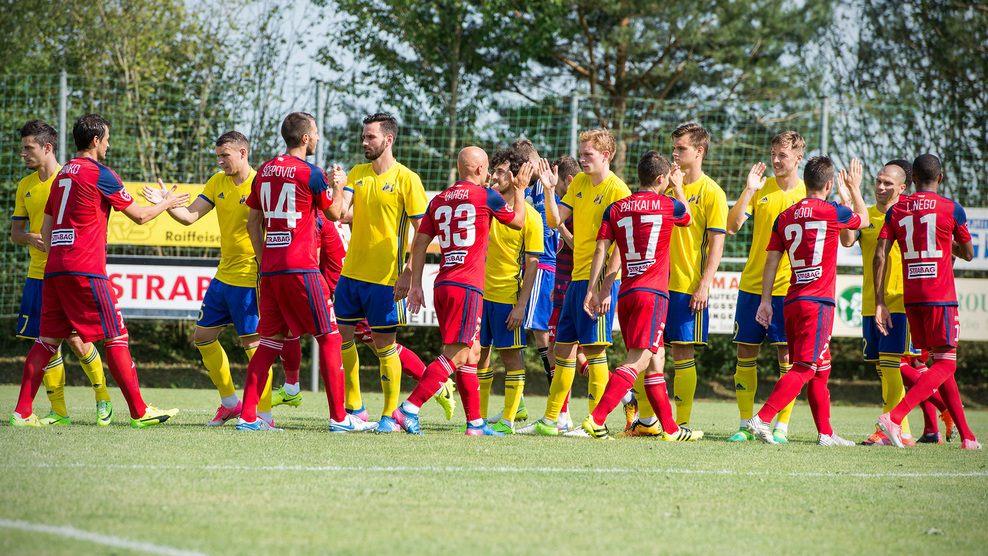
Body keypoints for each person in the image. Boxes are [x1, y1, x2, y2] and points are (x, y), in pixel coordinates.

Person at [11, 114, 186, 428]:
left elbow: (47, 230)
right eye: (106, 139)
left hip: (54, 270)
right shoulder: (100, 173)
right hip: (86, 270)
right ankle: (139, 412)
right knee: (116, 337)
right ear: (95, 140)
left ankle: (22, 413)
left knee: (46, 341)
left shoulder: (62, 176)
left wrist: (61, 257)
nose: (108, 144)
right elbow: (141, 217)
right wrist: (167, 202)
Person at [144, 131, 298, 427]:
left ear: (243, 153)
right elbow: (189, 217)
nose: (220, 161)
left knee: (255, 346)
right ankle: (230, 404)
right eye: (218, 156)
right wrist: (166, 203)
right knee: (202, 337)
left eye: (225, 155)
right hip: (223, 275)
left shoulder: (261, 183)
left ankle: (264, 416)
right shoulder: (217, 182)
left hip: (251, 276)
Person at [237, 111, 369, 432]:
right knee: (330, 337)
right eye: (317, 133)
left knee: (268, 343)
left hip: (271, 272)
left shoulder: (264, 170)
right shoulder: (311, 172)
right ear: (306, 138)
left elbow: (253, 223)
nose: (319, 138)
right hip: (302, 269)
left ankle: (248, 417)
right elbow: (335, 213)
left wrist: (265, 261)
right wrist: (339, 186)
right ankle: (340, 419)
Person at [391, 146, 528, 436]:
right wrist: (521, 190)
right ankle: (409, 409)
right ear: (480, 170)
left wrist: (416, 284)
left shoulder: (439, 199)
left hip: (443, 284)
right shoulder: (486, 196)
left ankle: (475, 423)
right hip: (466, 286)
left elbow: (419, 243)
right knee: (456, 354)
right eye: (487, 168)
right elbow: (518, 222)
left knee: (473, 353)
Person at [746, 156, 869, 445]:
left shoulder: (785, 216)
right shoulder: (832, 211)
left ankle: (826, 434)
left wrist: (765, 301)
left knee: (821, 369)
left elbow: (771, 262)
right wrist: (854, 190)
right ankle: (762, 418)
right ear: (829, 185)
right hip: (817, 301)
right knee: (805, 367)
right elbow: (863, 220)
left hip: (791, 301)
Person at [580, 151, 701, 441]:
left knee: (656, 359)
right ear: (660, 179)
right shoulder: (668, 204)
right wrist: (678, 187)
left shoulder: (616, 208)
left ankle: (670, 429)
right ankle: (597, 419)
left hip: (627, 293)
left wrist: (593, 289)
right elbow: (687, 217)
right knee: (638, 360)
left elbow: (601, 249)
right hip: (653, 294)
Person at [329, 113, 438, 432]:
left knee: (384, 345)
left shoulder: (407, 179)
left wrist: (408, 273)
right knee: (341, 339)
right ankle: (355, 409)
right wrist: (337, 187)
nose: (364, 142)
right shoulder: (357, 173)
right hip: (350, 275)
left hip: (384, 280)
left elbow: (423, 233)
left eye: (370, 137)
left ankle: (390, 415)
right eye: (363, 136)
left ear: (388, 140)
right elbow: (338, 213)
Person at [523, 129, 632, 435]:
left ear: (606, 155)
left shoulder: (618, 190)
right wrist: (549, 191)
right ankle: (550, 421)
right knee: (563, 350)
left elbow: (622, 245)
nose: (582, 159)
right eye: (581, 154)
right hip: (576, 279)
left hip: (599, 283)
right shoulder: (580, 183)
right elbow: (555, 221)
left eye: (588, 154)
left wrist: (606, 287)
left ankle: (596, 423)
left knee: (595, 352)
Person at [875, 154, 980, 450]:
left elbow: (881, 254)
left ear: (912, 180)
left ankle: (968, 436)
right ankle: (895, 417)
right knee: (945, 364)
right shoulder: (951, 208)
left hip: (912, 299)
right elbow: (968, 254)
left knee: (934, 365)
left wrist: (880, 300)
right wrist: (946, 243)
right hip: (940, 297)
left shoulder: (896, 210)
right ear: (940, 178)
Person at [838, 160, 946, 446]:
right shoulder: (866, 215)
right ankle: (906, 426)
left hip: (899, 302)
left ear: (902, 188)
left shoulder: (908, 215)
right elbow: (847, 240)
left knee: (893, 365)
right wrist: (848, 201)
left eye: (888, 183)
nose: (881, 187)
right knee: (883, 368)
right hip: (870, 302)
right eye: (878, 181)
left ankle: (899, 430)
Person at [12, 119, 111, 426]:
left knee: (79, 342)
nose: (23, 154)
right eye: (22, 148)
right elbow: (16, 233)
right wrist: (31, 238)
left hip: (69, 272)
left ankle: (103, 398)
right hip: (38, 275)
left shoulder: (69, 175)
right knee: (47, 344)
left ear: (47, 147)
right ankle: (59, 411)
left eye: (29, 148)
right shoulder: (25, 186)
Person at [725, 131, 807, 443]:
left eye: (781, 155)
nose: (775, 160)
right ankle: (745, 424)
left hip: (789, 288)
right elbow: (732, 226)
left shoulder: (807, 193)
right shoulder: (761, 188)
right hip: (752, 284)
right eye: (773, 153)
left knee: (787, 358)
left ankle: (781, 426)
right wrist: (749, 190)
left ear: (798, 158)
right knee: (745, 352)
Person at [644, 123, 727, 433]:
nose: (674, 153)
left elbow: (717, 245)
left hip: (686, 286)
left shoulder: (712, 192)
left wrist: (704, 285)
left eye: (681, 148)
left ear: (699, 151)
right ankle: (646, 421)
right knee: (646, 352)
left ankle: (682, 423)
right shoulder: (662, 186)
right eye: (674, 148)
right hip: (653, 284)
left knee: (682, 353)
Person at [477, 148, 543, 434]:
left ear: (516, 177)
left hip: (507, 297)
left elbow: (533, 265)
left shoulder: (531, 217)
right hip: (479, 295)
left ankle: (507, 421)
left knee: (511, 358)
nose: (494, 176)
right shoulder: (486, 205)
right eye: (494, 170)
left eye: (501, 171)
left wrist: (521, 306)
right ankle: (477, 419)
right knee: (477, 356)